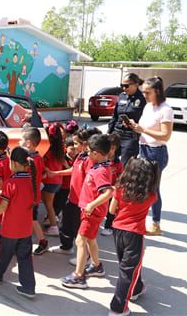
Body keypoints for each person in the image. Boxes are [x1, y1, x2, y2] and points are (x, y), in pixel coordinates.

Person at [0, 146, 38, 299]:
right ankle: (28, 287)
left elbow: (4, 205)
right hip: (25, 229)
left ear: (13, 162)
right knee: (25, 257)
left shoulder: (11, 181)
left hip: (10, 229)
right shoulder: (30, 180)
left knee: (4, 252)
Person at [61, 134, 114, 289]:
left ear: (96, 153)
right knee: (90, 240)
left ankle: (78, 276)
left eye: (89, 151)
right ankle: (97, 266)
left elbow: (108, 192)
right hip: (90, 211)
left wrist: (91, 205)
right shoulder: (99, 166)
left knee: (80, 241)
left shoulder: (100, 171)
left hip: (92, 212)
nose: (87, 153)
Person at [108, 158, 159, 316]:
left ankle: (137, 289)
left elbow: (111, 210)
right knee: (129, 270)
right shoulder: (151, 196)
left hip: (117, 231)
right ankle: (118, 308)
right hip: (135, 234)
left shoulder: (120, 189)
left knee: (126, 266)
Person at [126, 77, 173, 236]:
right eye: (143, 91)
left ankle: (156, 224)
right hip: (143, 149)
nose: (144, 94)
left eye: (147, 92)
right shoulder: (148, 106)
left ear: (157, 91)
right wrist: (134, 126)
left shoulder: (165, 109)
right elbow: (143, 128)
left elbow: (165, 136)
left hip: (156, 152)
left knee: (153, 189)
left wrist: (143, 130)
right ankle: (141, 220)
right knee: (143, 187)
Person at [48, 128, 99, 256]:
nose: (74, 146)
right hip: (72, 197)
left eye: (76, 143)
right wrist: (55, 173)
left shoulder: (90, 160)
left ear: (86, 144)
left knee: (81, 231)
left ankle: (84, 258)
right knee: (66, 224)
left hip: (82, 202)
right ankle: (66, 247)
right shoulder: (80, 156)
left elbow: (91, 181)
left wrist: (89, 202)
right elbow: (73, 170)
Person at [19, 127, 48, 255]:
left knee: (29, 220)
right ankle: (42, 241)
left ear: (28, 143)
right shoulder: (38, 158)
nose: (19, 142)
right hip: (34, 196)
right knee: (31, 220)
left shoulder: (29, 160)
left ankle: (37, 242)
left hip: (29, 197)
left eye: (21, 140)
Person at [108, 73, 146, 165]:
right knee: (109, 162)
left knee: (125, 165)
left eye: (126, 86)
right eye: (122, 86)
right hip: (116, 133)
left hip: (130, 136)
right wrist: (109, 131)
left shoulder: (142, 99)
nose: (124, 88)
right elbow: (115, 116)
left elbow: (145, 119)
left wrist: (134, 124)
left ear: (136, 84)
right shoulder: (122, 96)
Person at [42, 123, 66, 236]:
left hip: (49, 180)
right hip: (58, 181)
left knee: (48, 204)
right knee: (49, 202)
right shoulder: (61, 148)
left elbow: (43, 164)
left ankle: (53, 227)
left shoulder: (48, 150)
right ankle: (54, 219)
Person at [101, 133, 124, 236]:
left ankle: (108, 226)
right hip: (101, 188)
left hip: (111, 190)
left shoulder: (117, 163)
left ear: (115, 148)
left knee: (111, 209)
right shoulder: (101, 159)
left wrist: (116, 187)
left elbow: (120, 178)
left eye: (111, 147)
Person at [53, 136, 78, 219]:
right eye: (72, 149)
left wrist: (67, 166)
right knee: (57, 202)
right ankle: (53, 216)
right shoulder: (63, 158)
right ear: (66, 148)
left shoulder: (78, 159)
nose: (74, 151)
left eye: (75, 149)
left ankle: (56, 216)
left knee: (63, 203)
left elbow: (75, 172)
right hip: (61, 185)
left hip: (70, 187)